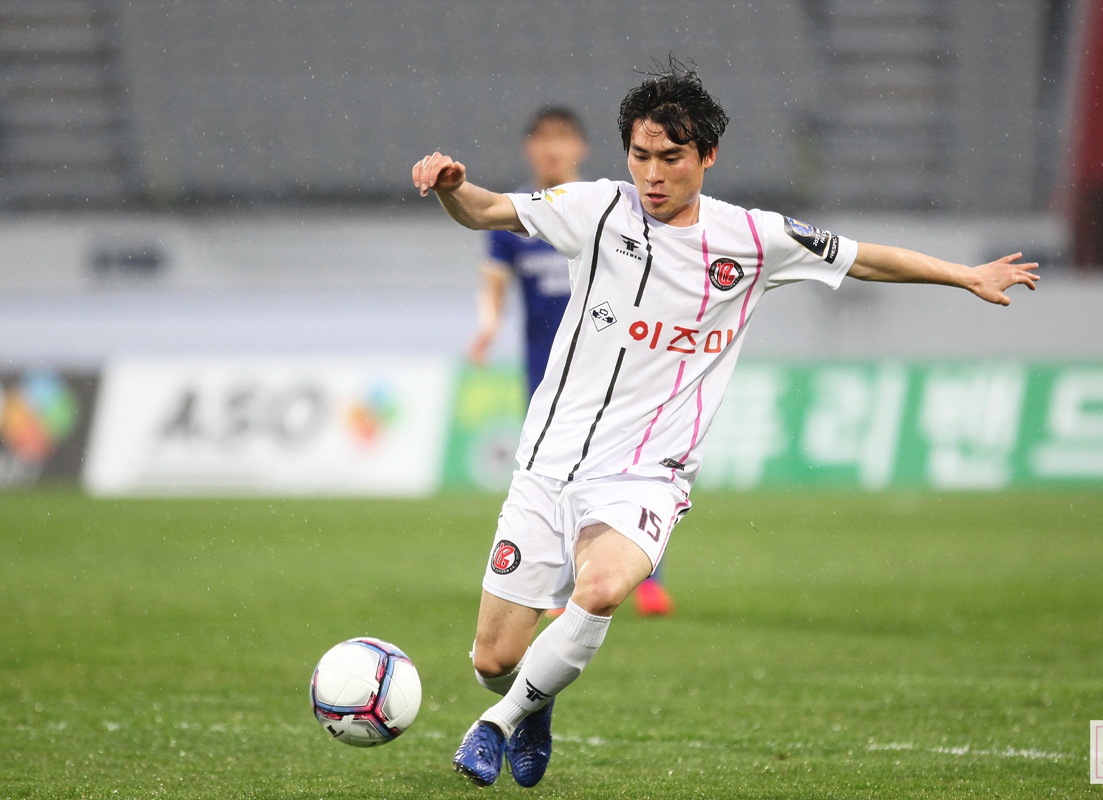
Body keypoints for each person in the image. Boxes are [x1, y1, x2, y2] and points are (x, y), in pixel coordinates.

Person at [412, 61, 1038, 789]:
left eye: (671, 157)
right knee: (494, 660)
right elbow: (487, 211)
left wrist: (964, 274)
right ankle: (529, 700)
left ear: (707, 156)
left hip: (647, 471)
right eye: (640, 155)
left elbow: (865, 260)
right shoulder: (595, 208)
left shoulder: (752, 238)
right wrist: (452, 187)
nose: (653, 174)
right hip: (548, 462)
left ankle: (493, 725)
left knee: (604, 588)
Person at [467, 106, 676, 617]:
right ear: (529, 148)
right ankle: (560, 584)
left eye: (562, 139)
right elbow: (493, 286)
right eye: (543, 139)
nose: (552, 149)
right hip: (547, 372)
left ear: (580, 148)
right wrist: (487, 327)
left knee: (632, 469)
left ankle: (646, 579)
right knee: (556, 474)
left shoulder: (608, 208)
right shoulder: (513, 219)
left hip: (615, 365)